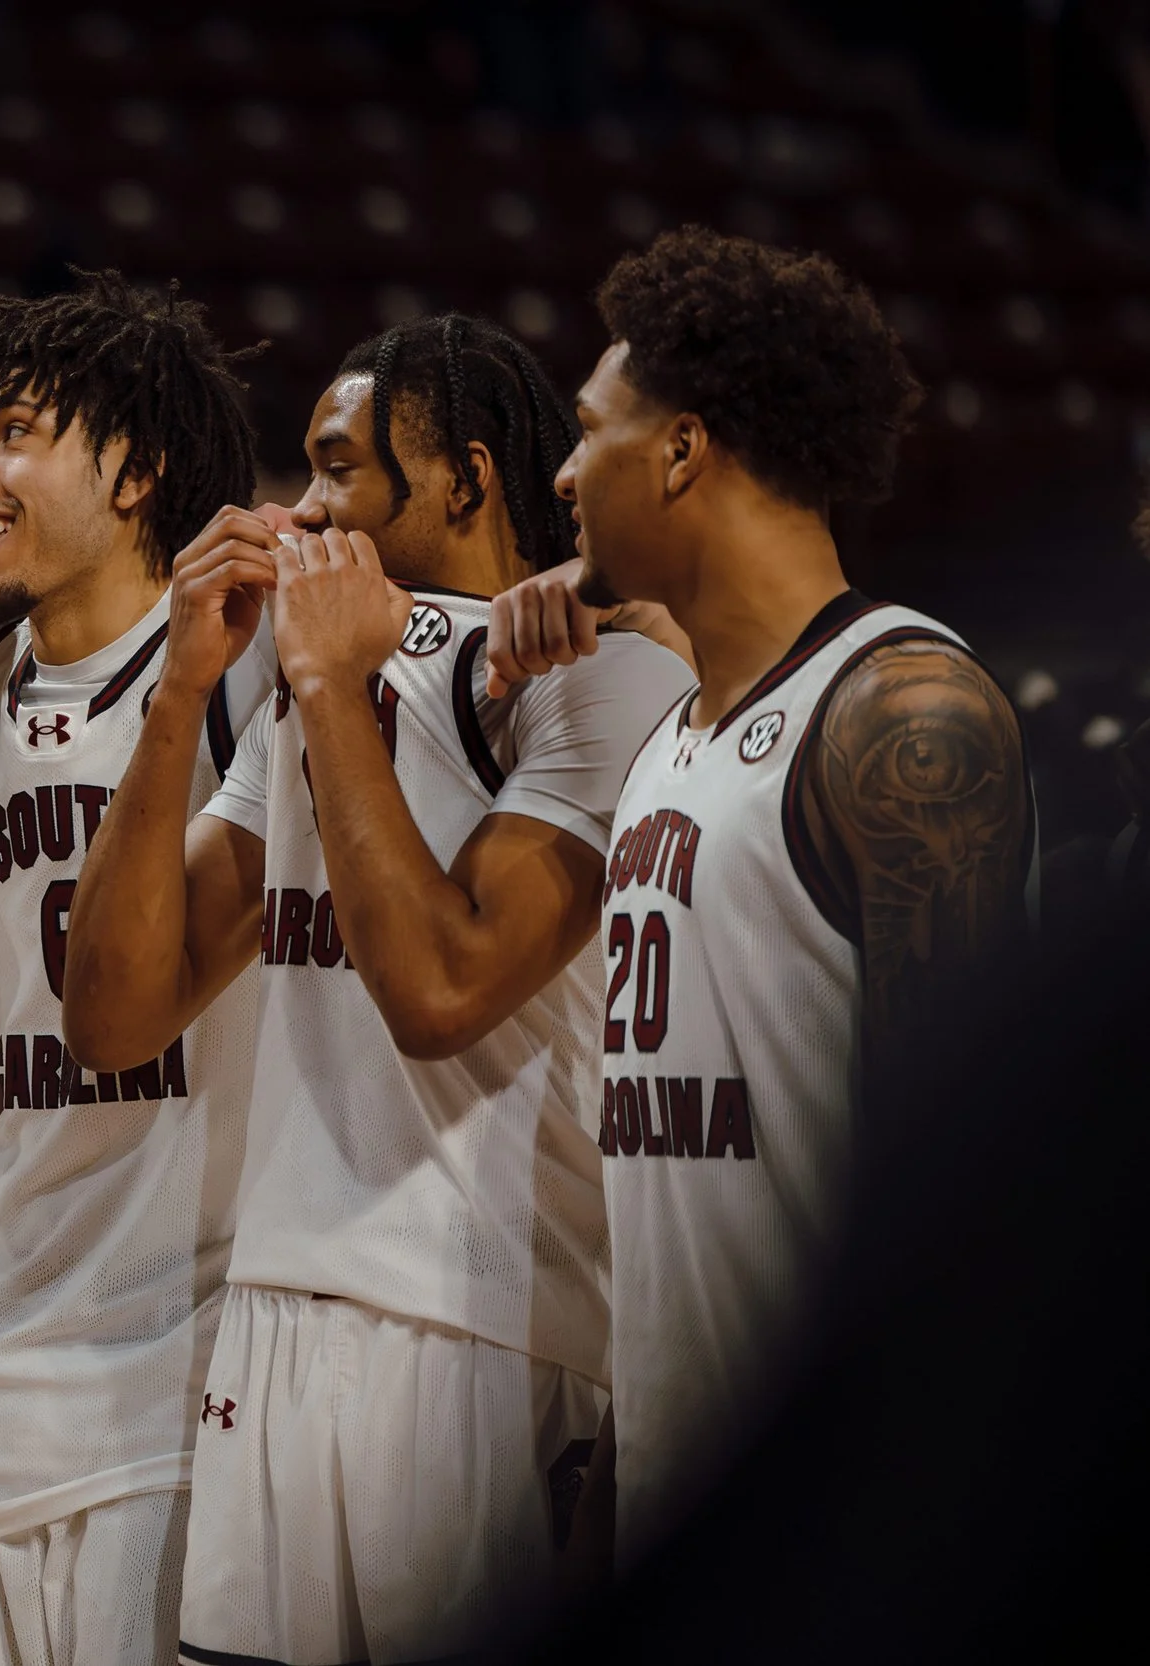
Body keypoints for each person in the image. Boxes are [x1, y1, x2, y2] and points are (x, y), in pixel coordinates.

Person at [63, 315, 693, 1663]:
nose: (300, 509)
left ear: (463, 481)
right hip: (274, 1312)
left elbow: (441, 989)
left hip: (483, 1327)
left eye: (338, 470)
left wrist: (330, 680)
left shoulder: (605, 673)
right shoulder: (306, 694)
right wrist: (182, 688)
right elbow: (114, 1017)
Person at [480, 227, 1031, 1567]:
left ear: (682, 451)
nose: (561, 471)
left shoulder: (905, 712)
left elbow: (964, 1205)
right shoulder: (679, 732)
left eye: (593, 431)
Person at [0, 271, 268, 1663]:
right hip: (1, 1334)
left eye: (15, 432)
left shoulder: (254, 662)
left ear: (138, 466)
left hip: (194, 1341)